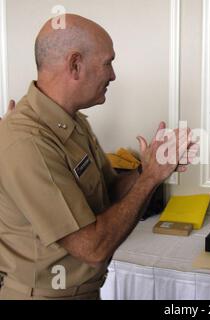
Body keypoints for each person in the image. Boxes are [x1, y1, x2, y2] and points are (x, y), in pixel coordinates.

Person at [0, 14, 193, 300]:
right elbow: (93, 249)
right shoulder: (27, 141)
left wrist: (147, 168)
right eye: (108, 62)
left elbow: (109, 192)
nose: (113, 74)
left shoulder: (72, 121)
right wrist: (152, 177)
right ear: (75, 65)